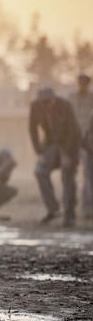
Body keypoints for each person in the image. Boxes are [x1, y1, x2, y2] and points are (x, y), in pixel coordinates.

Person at [29, 86, 81, 227]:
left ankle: (69, 215)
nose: (46, 105)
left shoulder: (65, 105)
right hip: (50, 143)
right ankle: (53, 209)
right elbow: (32, 129)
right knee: (40, 172)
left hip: (69, 143)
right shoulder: (35, 107)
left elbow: (72, 130)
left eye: (49, 102)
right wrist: (39, 152)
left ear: (54, 99)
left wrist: (67, 155)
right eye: (43, 103)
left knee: (67, 176)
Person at [67, 74, 93, 221]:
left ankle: (87, 207)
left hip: (87, 141)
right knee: (70, 173)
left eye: (85, 84)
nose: (82, 86)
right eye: (80, 83)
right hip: (72, 139)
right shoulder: (71, 97)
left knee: (88, 176)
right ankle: (70, 207)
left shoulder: (91, 97)